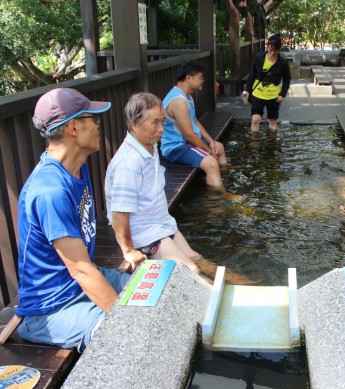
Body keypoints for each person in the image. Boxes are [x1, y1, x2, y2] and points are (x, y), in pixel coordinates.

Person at [15, 88, 130, 352]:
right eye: (94, 119)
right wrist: (126, 323)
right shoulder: (49, 190)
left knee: (153, 287)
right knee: (125, 338)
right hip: (51, 309)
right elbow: (80, 269)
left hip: (77, 284)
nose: (99, 125)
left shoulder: (78, 166)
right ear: (74, 128)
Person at [105, 92, 201, 274]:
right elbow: (119, 213)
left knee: (196, 258)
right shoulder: (128, 164)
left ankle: (232, 282)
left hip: (161, 221)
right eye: (155, 122)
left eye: (163, 121)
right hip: (144, 231)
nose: (161, 128)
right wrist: (129, 250)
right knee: (191, 271)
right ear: (135, 124)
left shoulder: (150, 146)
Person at [161, 61, 228, 191]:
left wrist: (211, 142)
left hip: (186, 143)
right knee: (212, 163)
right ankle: (221, 197)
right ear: (189, 78)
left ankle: (222, 175)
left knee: (219, 147)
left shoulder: (186, 96)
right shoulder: (179, 101)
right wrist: (208, 151)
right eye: (200, 77)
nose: (203, 80)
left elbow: (195, 121)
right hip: (176, 147)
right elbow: (189, 135)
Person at [243, 34, 292, 133]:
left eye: (275, 51)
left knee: (273, 122)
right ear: (268, 46)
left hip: (273, 96)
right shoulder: (259, 57)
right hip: (258, 93)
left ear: (279, 49)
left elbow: (287, 79)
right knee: (255, 119)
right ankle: (254, 146)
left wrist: (282, 94)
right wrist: (248, 90)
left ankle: (271, 146)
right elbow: (252, 74)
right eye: (270, 49)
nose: (272, 53)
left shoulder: (282, 63)